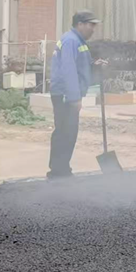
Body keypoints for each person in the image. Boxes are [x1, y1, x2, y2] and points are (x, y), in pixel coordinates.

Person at [48, 10, 100, 179]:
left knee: (68, 132)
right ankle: (58, 172)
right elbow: (68, 70)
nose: (93, 29)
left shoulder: (78, 41)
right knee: (65, 132)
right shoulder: (71, 41)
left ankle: (61, 169)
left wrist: (94, 65)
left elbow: (80, 65)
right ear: (80, 24)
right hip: (65, 95)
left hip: (67, 93)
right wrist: (74, 98)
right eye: (91, 25)